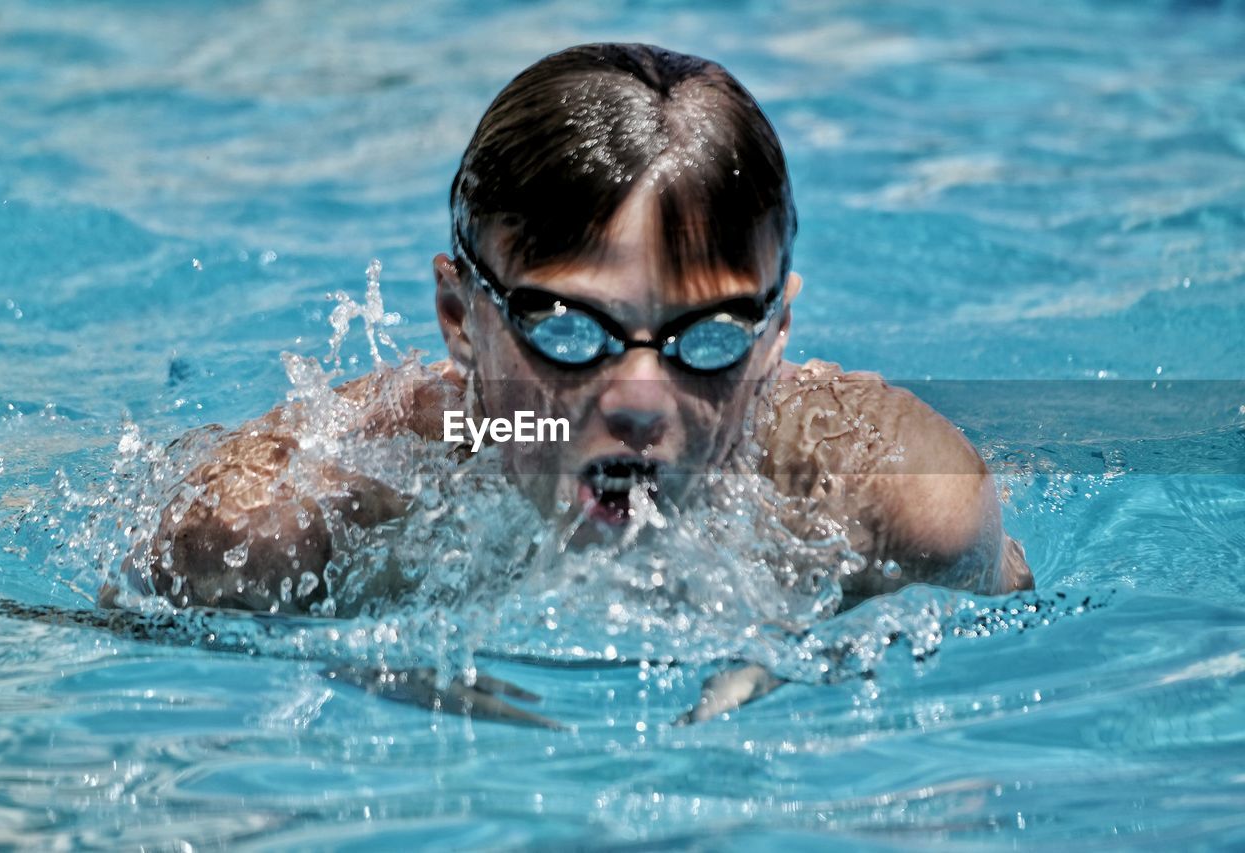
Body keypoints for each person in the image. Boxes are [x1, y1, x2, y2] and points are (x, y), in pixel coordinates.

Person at [105, 43, 1031, 723]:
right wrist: (368, 669)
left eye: (704, 339)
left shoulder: (899, 504)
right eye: (568, 329)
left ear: (775, 334)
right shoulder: (288, 517)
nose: (638, 397)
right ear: (462, 319)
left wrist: (799, 664)